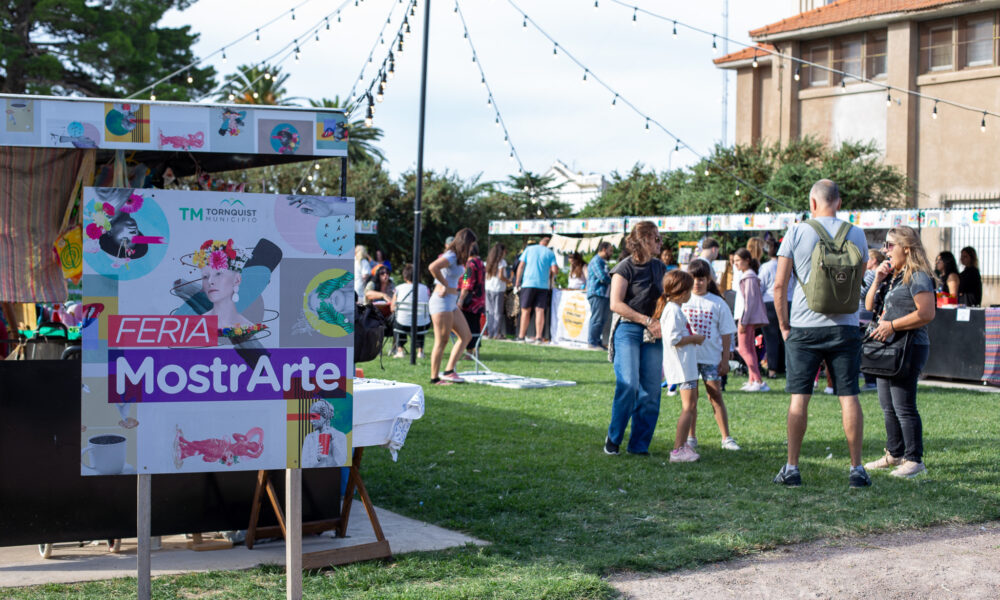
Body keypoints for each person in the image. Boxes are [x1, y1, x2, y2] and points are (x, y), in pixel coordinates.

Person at [773, 179, 871, 489]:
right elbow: (857, 282)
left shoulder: (797, 232)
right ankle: (856, 468)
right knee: (849, 397)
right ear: (839, 202)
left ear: (812, 203)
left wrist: (784, 326)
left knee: (799, 399)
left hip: (804, 327)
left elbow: (779, 286)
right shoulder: (856, 233)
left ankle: (792, 467)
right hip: (845, 327)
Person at [863, 226, 936, 478]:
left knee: (904, 405)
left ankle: (914, 460)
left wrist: (892, 325)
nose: (885, 251)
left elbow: (926, 314)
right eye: (884, 245)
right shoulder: (895, 275)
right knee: (888, 405)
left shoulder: (918, 276)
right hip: (889, 347)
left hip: (909, 346)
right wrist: (878, 280)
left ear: (906, 247)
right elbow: (869, 305)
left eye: (890, 245)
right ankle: (895, 454)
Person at [604, 221, 666, 457]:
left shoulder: (660, 267)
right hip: (629, 329)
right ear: (645, 240)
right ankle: (614, 438)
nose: (660, 243)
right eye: (657, 239)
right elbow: (615, 304)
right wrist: (646, 320)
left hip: (653, 333)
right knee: (628, 385)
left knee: (651, 391)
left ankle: (639, 445)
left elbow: (667, 296)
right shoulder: (624, 268)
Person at [682, 260, 740, 451]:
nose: (697, 283)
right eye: (693, 279)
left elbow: (726, 333)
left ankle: (726, 438)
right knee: (690, 401)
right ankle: (691, 437)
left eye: (701, 279)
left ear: (708, 280)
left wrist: (725, 360)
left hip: (711, 359)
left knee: (715, 396)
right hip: (688, 359)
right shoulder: (682, 300)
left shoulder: (718, 303)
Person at [655, 270, 706, 462]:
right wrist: (695, 338)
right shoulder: (673, 311)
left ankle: (683, 444)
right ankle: (677, 450)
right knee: (688, 406)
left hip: (686, 366)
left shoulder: (674, 309)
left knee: (691, 405)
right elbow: (673, 339)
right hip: (682, 367)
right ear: (682, 291)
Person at [427, 228, 476, 385]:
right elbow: (433, 267)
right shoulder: (451, 255)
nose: (472, 248)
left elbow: (459, 275)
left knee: (466, 336)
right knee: (442, 341)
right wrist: (443, 283)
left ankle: (449, 371)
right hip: (441, 303)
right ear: (465, 243)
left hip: (451, 302)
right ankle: (434, 378)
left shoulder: (459, 258)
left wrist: (446, 284)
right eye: (470, 245)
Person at [192, 239, 255, 332]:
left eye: (218, 274)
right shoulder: (195, 327)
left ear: (237, 280)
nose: (210, 281)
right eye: (205, 277)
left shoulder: (250, 329)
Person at [733, 248, 769, 392]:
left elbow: (749, 301)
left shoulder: (749, 277)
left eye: (738, 260)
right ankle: (752, 379)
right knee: (749, 349)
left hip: (745, 318)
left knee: (743, 349)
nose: (735, 264)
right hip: (745, 318)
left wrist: (744, 320)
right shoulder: (748, 276)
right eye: (734, 261)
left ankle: (758, 380)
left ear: (747, 260)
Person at [759, 238, 796, 378]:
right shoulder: (791, 266)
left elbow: (760, 285)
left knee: (771, 337)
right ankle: (787, 366)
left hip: (769, 302)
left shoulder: (766, 267)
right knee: (787, 336)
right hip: (789, 301)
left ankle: (773, 369)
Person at [515, 235, 558, 344]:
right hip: (543, 285)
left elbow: (521, 266)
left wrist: (517, 282)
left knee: (525, 310)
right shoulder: (550, 253)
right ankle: (539, 337)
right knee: (540, 311)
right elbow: (554, 269)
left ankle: (521, 337)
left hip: (528, 283)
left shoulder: (529, 249)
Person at [859, 249, 887, 391]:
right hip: (867, 315)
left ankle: (870, 381)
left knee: (867, 349)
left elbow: (861, 293)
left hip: (865, 317)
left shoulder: (871, 274)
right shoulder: (875, 275)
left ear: (874, 260)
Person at [391, 263, 430, 359]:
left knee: (397, 319)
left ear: (405, 277)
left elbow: (392, 308)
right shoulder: (426, 289)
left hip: (402, 325)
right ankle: (420, 351)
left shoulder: (398, 288)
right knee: (419, 319)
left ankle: (400, 350)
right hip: (422, 326)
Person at [300, 400, 348, 468]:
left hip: (335, 474)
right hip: (312, 474)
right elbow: (304, 465)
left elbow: (342, 462)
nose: (311, 421)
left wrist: (334, 441)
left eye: (314, 417)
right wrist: (317, 458)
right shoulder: (309, 438)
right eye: (310, 417)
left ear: (325, 416)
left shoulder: (340, 436)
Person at [459, 242, 486, 355]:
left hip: (470, 302)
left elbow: (467, 283)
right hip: (480, 300)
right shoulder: (481, 263)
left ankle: (469, 352)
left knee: (468, 327)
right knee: (476, 326)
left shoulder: (469, 265)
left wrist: (460, 300)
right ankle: (476, 350)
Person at [586, 241, 614, 350]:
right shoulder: (596, 261)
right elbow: (603, 277)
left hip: (603, 294)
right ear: (603, 249)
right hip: (597, 293)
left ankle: (597, 342)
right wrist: (615, 280)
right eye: (610, 251)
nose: (611, 253)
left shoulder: (602, 262)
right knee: (597, 319)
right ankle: (592, 342)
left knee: (602, 320)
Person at [484, 243, 510, 340]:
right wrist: (508, 281)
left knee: (490, 312)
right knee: (497, 312)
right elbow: (500, 276)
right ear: (502, 251)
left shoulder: (489, 261)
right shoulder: (502, 262)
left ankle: (490, 332)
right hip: (498, 288)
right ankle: (496, 333)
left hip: (488, 287)